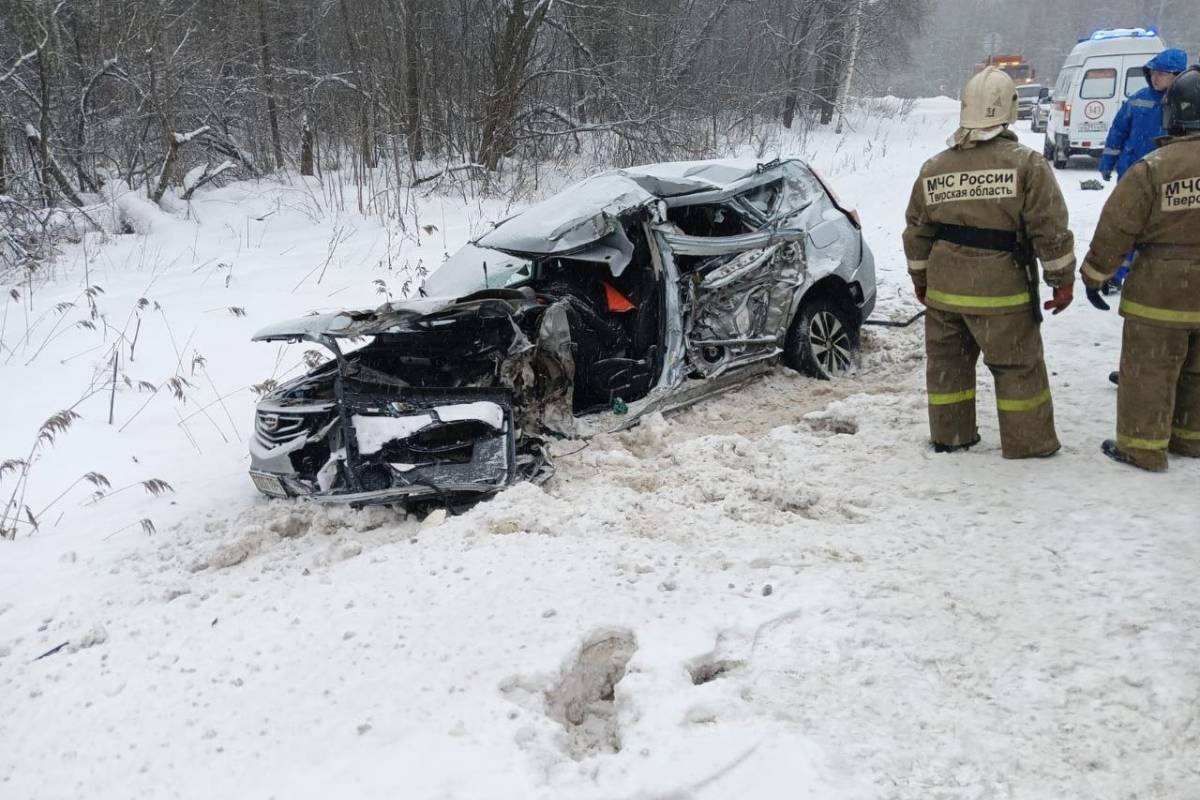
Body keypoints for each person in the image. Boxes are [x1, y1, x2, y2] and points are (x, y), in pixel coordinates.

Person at [903, 67, 1076, 458]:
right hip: (1004, 293)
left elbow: (916, 231)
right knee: (1018, 369)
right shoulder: (1027, 165)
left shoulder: (934, 168)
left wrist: (921, 279)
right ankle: (1028, 442)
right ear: (1009, 109)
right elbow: (1050, 229)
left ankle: (950, 435)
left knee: (948, 370)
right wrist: (1060, 279)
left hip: (945, 293)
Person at [1081, 66, 1200, 472]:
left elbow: (1118, 228)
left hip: (1160, 292)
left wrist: (1095, 275)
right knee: (1197, 372)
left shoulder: (1153, 168)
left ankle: (1143, 448)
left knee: (1150, 369)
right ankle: (1190, 439)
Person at [1097, 48, 1188, 293]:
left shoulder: (1185, 106)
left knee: (1157, 229)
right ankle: (1116, 274)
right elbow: (1118, 131)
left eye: (1162, 73)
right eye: (1153, 73)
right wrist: (1107, 162)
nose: (1155, 78)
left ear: (1178, 76)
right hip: (1132, 174)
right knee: (1125, 225)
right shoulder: (1138, 99)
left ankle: (1153, 273)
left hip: (1167, 178)